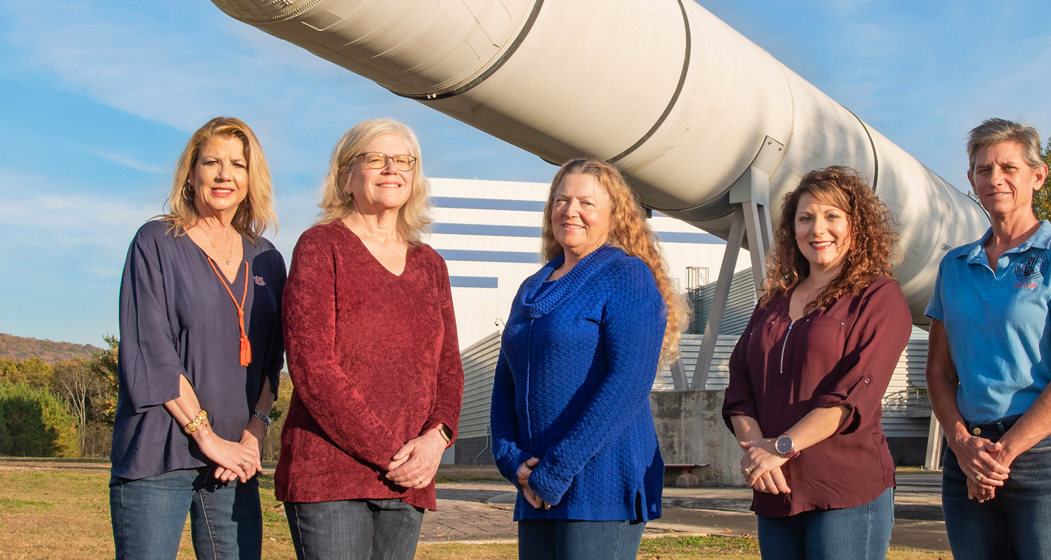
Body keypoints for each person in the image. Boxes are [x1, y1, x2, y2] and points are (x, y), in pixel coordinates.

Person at [275, 118, 464, 560]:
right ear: (346, 175)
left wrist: (436, 440)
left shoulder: (430, 264)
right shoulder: (321, 246)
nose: (390, 169)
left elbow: (448, 369)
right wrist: (391, 452)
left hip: (409, 479)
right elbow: (312, 367)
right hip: (332, 474)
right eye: (375, 159)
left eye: (402, 160)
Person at [925, 118, 1051, 559]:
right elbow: (939, 371)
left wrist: (1000, 456)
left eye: (1008, 167)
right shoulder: (954, 265)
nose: (996, 179)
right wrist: (963, 444)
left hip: (1046, 459)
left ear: (1037, 176)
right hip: (968, 454)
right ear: (971, 180)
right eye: (984, 170)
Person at [490, 159, 687, 560]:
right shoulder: (532, 287)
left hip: (601, 486)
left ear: (614, 215)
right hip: (535, 486)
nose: (570, 210)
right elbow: (504, 384)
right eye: (561, 200)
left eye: (586, 202)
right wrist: (513, 463)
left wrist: (555, 471)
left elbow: (628, 384)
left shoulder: (627, 276)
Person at [110, 117, 284, 560]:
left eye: (238, 164)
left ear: (251, 178)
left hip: (235, 463)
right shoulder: (156, 242)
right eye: (212, 162)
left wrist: (251, 437)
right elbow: (151, 350)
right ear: (192, 174)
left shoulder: (267, 259)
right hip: (159, 452)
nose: (225, 174)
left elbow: (270, 361)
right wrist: (206, 437)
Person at [721, 166, 910, 559]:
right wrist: (760, 452)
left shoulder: (878, 297)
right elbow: (740, 386)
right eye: (805, 218)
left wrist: (781, 447)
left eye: (832, 216)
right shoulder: (771, 303)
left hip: (845, 493)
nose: (817, 229)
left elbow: (852, 396)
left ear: (856, 225)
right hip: (775, 489)